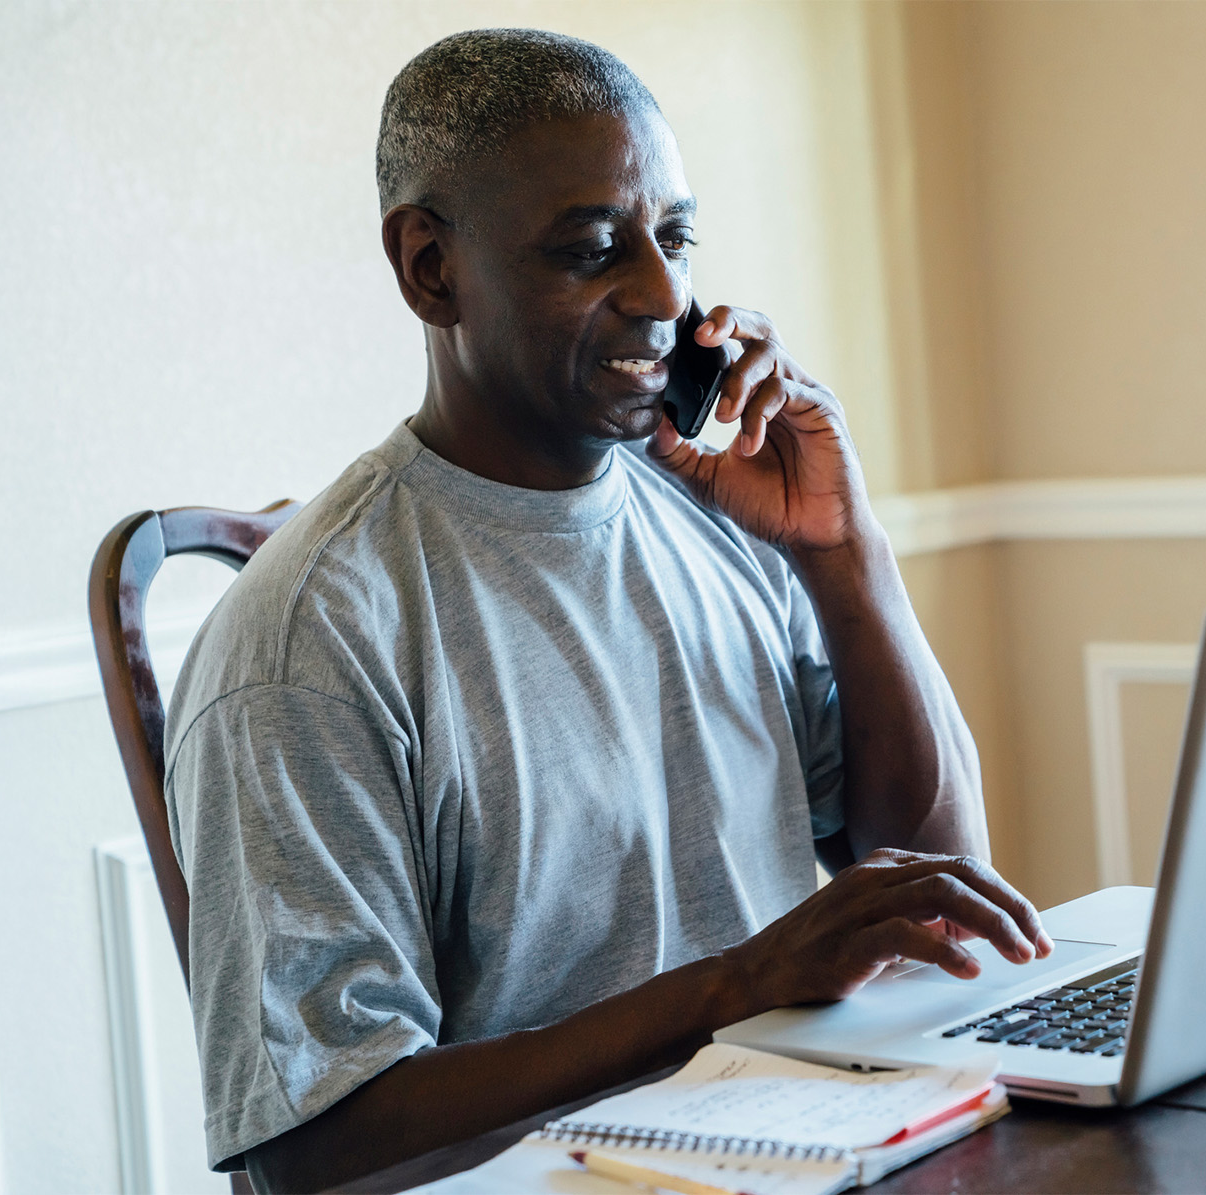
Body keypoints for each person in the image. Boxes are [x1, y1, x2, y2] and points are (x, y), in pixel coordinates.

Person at [163, 28, 1049, 1194]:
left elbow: (934, 869)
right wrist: (735, 987)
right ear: (432, 268)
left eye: (674, 237)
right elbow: (314, 1142)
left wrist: (843, 551)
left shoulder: (723, 525)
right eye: (593, 250)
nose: (667, 295)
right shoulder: (312, 640)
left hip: (804, 1145)